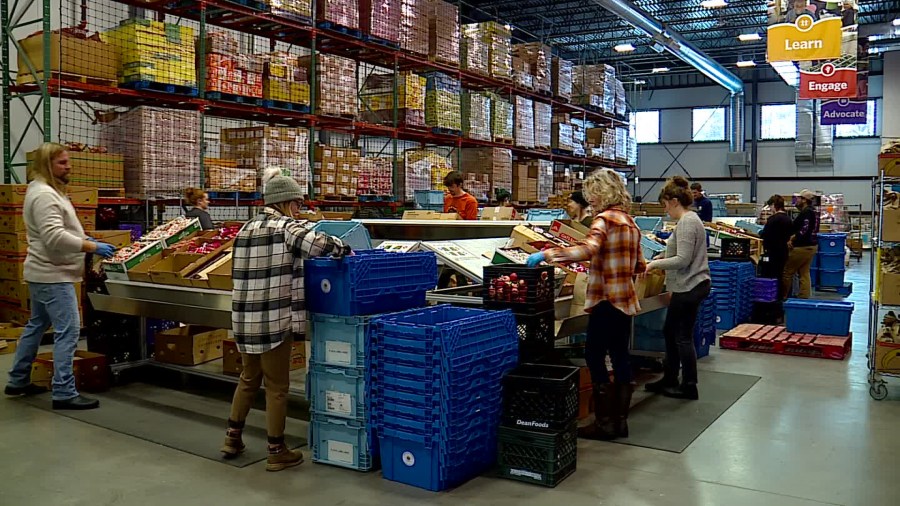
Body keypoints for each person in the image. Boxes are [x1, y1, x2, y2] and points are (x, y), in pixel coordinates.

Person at [222, 168, 347, 471]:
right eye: (298, 204)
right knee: (277, 386)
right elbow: (320, 244)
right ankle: (277, 450)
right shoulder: (286, 227)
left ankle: (232, 437)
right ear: (287, 202)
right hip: (274, 320)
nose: (300, 210)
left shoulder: (245, 229)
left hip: (244, 319)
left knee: (249, 378)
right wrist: (345, 249)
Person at [527, 169, 645, 440]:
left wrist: (548, 254)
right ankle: (619, 422)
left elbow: (587, 250)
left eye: (592, 193)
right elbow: (640, 264)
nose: (589, 199)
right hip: (625, 300)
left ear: (602, 192)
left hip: (604, 299)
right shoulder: (630, 222)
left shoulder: (603, 220)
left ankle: (603, 423)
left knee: (593, 354)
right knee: (620, 356)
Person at [4, 142, 117, 409]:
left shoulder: (48, 190)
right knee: (69, 331)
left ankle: (18, 379)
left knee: (36, 325)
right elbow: (54, 237)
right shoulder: (44, 194)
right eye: (62, 163)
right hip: (54, 275)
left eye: (68, 161)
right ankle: (64, 392)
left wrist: (82, 237)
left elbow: (58, 229)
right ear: (47, 166)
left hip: (44, 272)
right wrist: (91, 246)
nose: (69, 167)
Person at [645, 176, 711, 401]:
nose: (665, 210)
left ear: (673, 201)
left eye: (664, 204)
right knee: (670, 332)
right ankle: (670, 377)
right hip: (689, 285)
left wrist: (654, 264)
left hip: (689, 286)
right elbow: (679, 253)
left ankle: (689, 385)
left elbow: (682, 259)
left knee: (682, 336)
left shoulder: (687, 222)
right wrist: (662, 256)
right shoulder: (690, 221)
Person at [782, 190, 820, 299]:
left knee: (787, 272)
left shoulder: (807, 212)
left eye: (798, 198)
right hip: (811, 246)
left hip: (802, 247)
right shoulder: (813, 211)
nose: (796, 200)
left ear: (804, 200)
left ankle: (784, 297)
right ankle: (804, 297)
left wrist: (792, 239)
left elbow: (804, 229)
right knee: (804, 272)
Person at [759, 195, 793, 299]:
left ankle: (772, 297)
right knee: (782, 274)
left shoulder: (773, 219)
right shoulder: (788, 219)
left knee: (772, 275)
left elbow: (765, 235)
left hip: (772, 252)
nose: (770, 209)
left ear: (774, 205)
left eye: (770, 206)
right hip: (784, 251)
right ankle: (782, 296)